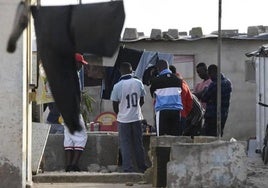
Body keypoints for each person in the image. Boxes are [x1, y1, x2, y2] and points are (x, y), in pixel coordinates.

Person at [110, 62, 147, 173]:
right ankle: (142, 167)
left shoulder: (117, 86)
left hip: (123, 119)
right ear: (131, 71)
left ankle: (128, 168)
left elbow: (115, 105)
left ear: (120, 72)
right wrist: (135, 110)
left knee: (125, 144)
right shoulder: (138, 82)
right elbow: (142, 100)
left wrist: (122, 113)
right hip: (136, 117)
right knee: (138, 143)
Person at [150, 60, 183, 136]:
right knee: (175, 137)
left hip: (162, 111)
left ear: (158, 69)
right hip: (176, 111)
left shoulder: (156, 81)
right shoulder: (178, 80)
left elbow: (154, 96)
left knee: (161, 139)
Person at [201, 64, 232, 137]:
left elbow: (204, 98)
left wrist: (205, 89)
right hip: (223, 114)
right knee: (218, 136)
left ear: (214, 72)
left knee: (208, 137)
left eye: (210, 74)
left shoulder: (214, 84)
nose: (210, 77)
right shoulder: (228, 82)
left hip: (212, 115)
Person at [169, 65, 193, 132]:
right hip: (182, 115)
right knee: (179, 139)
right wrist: (185, 113)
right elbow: (190, 101)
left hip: (168, 115)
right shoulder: (184, 83)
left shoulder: (167, 84)